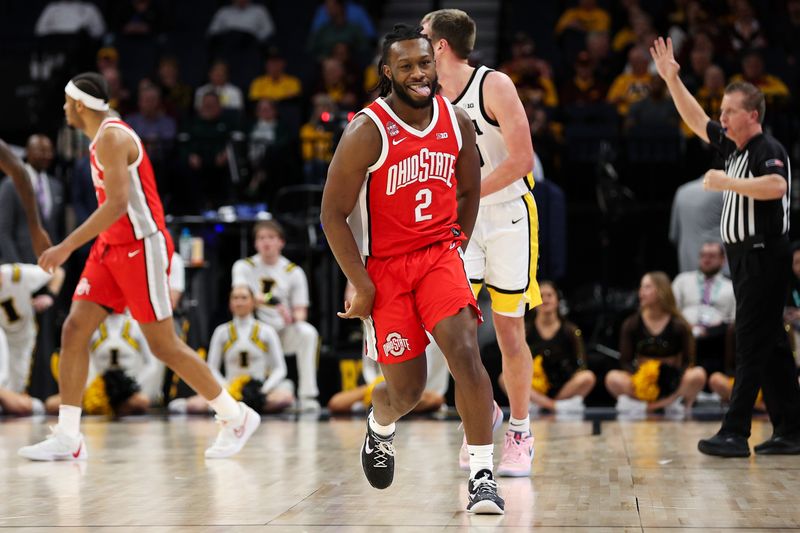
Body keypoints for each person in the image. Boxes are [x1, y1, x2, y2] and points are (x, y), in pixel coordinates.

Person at [17, 72, 260, 462]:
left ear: (79, 104)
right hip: (109, 246)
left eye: (66, 101)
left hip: (139, 247)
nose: (63, 108)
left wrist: (64, 247)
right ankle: (67, 435)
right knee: (75, 328)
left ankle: (235, 416)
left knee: (163, 345)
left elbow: (115, 204)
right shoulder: (99, 139)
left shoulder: (113, 136)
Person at [320, 24, 503, 513]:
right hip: (387, 270)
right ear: (389, 73)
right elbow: (331, 214)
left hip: (440, 256)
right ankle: (381, 427)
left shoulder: (456, 121)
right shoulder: (366, 129)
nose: (419, 73)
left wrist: (456, 248)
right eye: (407, 66)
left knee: (466, 355)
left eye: (424, 62)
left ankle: (483, 474)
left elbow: (468, 191)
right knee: (408, 390)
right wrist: (359, 282)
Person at [651, 36, 800, 456]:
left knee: (751, 341)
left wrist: (725, 182)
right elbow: (697, 120)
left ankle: (735, 431)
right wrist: (671, 79)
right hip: (745, 259)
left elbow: (777, 186)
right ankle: (792, 428)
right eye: (722, 111)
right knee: (769, 345)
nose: (722, 117)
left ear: (752, 114)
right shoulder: (733, 149)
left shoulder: (766, 149)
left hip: (764, 255)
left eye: (729, 111)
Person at [422, 9, 539, 477]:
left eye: (423, 37)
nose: (417, 44)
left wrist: (466, 195)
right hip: (460, 224)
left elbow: (522, 159)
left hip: (509, 216)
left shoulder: (494, 85)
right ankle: (481, 413)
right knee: (456, 334)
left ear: (441, 46)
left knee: (510, 332)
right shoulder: (425, 96)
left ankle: (520, 429)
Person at [231, 220, 320, 411]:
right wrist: (272, 300)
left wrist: (293, 318)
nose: (266, 242)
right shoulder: (244, 266)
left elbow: (300, 310)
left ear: (281, 242)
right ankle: (245, 391)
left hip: (282, 329)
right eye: (261, 238)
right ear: (255, 243)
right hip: (256, 329)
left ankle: (307, 395)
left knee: (307, 332)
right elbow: (240, 294)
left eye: (271, 238)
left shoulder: (293, 271)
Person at [170, 286, 294, 415]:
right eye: (235, 298)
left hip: (260, 390)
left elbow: (280, 369)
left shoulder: (266, 331)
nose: (239, 302)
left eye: (244, 298)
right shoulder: (222, 331)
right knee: (193, 405)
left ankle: (240, 408)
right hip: (230, 390)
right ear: (230, 303)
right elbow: (212, 367)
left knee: (284, 398)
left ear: (253, 302)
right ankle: (237, 407)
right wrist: (226, 388)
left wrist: (263, 390)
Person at [605, 272, 707, 417]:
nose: (641, 292)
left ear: (661, 291)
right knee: (612, 377)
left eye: (647, 287)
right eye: (640, 287)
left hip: (672, 383)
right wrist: (643, 378)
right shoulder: (632, 324)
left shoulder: (679, 325)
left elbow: (688, 361)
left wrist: (673, 378)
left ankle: (654, 406)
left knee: (698, 374)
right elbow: (625, 361)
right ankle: (663, 405)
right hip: (643, 384)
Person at [501, 281, 595, 413]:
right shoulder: (525, 330)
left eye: (549, 295)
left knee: (587, 377)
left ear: (557, 300)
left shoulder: (570, 330)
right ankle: (552, 406)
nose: (545, 300)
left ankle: (548, 404)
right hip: (533, 385)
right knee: (504, 378)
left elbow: (581, 364)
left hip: (563, 385)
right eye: (541, 296)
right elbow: (515, 358)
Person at [45, 312, 159, 415]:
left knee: (141, 402)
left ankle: (109, 409)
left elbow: (152, 363)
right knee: (52, 404)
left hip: (128, 391)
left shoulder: (137, 325)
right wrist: (92, 387)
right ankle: (106, 409)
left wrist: (132, 385)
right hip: (98, 387)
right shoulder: (92, 326)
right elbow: (83, 359)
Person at [0, 263, 63, 416]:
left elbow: (58, 272)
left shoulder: (18, 274)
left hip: (23, 339)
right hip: (3, 335)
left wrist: (49, 295)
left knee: (16, 391)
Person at [672, 242, 735, 378]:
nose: (706, 259)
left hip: (717, 336)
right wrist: (686, 326)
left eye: (712, 256)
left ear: (723, 260)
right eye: (703, 255)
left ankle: (719, 379)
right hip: (685, 330)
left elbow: (734, 318)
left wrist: (713, 330)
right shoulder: (682, 280)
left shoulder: (731, 287)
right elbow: (671, 309)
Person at [0, 135, 63, 264]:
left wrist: (35, 228)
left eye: (48, 151)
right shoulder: (8, 185)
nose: (46, 155)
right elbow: (3, 231)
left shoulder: (56, 185)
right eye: (41, 150)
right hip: (21, 260)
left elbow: (18, 170)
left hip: (46, 263)